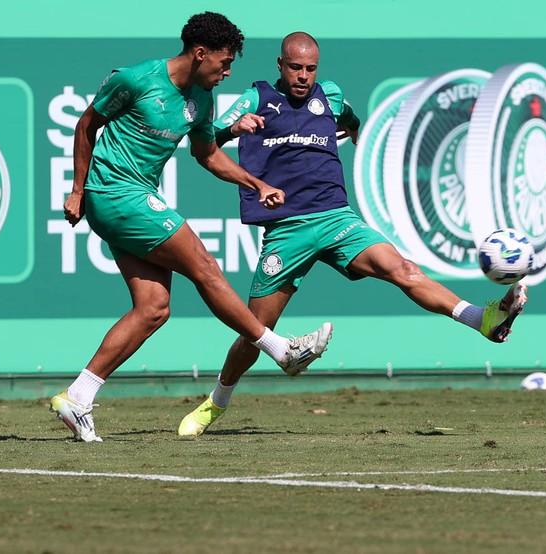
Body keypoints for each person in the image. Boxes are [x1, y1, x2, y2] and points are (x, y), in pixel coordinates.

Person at [177, 32, 527, 437]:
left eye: (310, 69)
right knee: (255, 332)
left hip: (337, 219)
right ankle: (215, 403)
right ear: (279, 65)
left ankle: (483, 321)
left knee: (403, 269)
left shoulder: (329, 95)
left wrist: (355, 131)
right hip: (287, 231)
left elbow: (347, 116)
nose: (304, 76)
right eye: (295, 68)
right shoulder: (255, 98)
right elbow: (204, 140)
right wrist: (234, 128)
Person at [50, 14, 333, 443]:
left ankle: (78, 397)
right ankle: (281, 350)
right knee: (204, 265)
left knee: (153, 309)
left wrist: (255, 183)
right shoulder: (136, 78)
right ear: (199, 54)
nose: (228, 72)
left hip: (137, 196)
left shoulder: (202, 98)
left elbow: (207, 154)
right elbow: (87, 125)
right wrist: (76, 189)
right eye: (223, 63)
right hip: (113, 193)